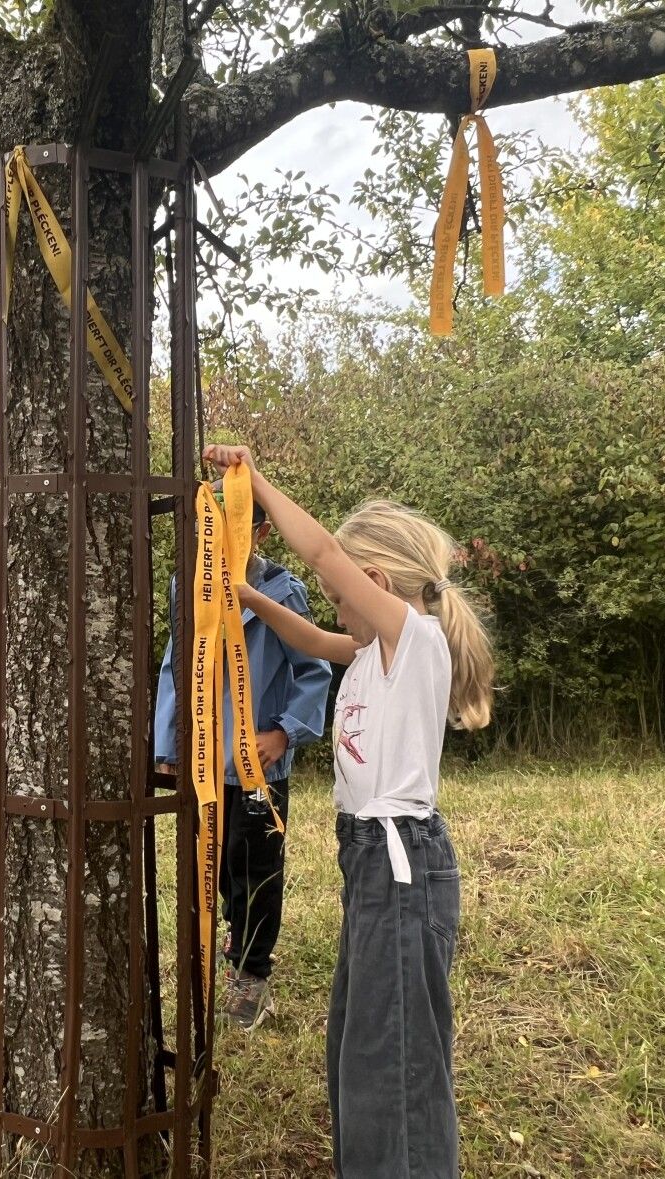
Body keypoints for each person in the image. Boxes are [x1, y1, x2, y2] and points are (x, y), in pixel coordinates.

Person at [204, 444, 493, 1179]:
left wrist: (256, 480)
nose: (336, 609)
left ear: (376, 585)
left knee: (391, 1056)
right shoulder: (368, 652)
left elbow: (324, 553)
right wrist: (247, 596)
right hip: (372, 868)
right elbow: (305, 637)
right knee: (360, 1041)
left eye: (342, 596)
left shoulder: (414, 643)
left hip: (400, 864)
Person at [154, 487, 331, 1030]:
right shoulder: (189, 585)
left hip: (259, 765)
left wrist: (285, 732)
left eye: (233, 528)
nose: (219, 540)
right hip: (205, 763)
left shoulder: (283, 592)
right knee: (215, 863)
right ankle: (226, 943)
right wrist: (168, 745)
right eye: (208, 528)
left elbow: (314, 669)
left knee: (256, 867)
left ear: (260, 532)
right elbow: (175, 666)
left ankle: (252, 971)